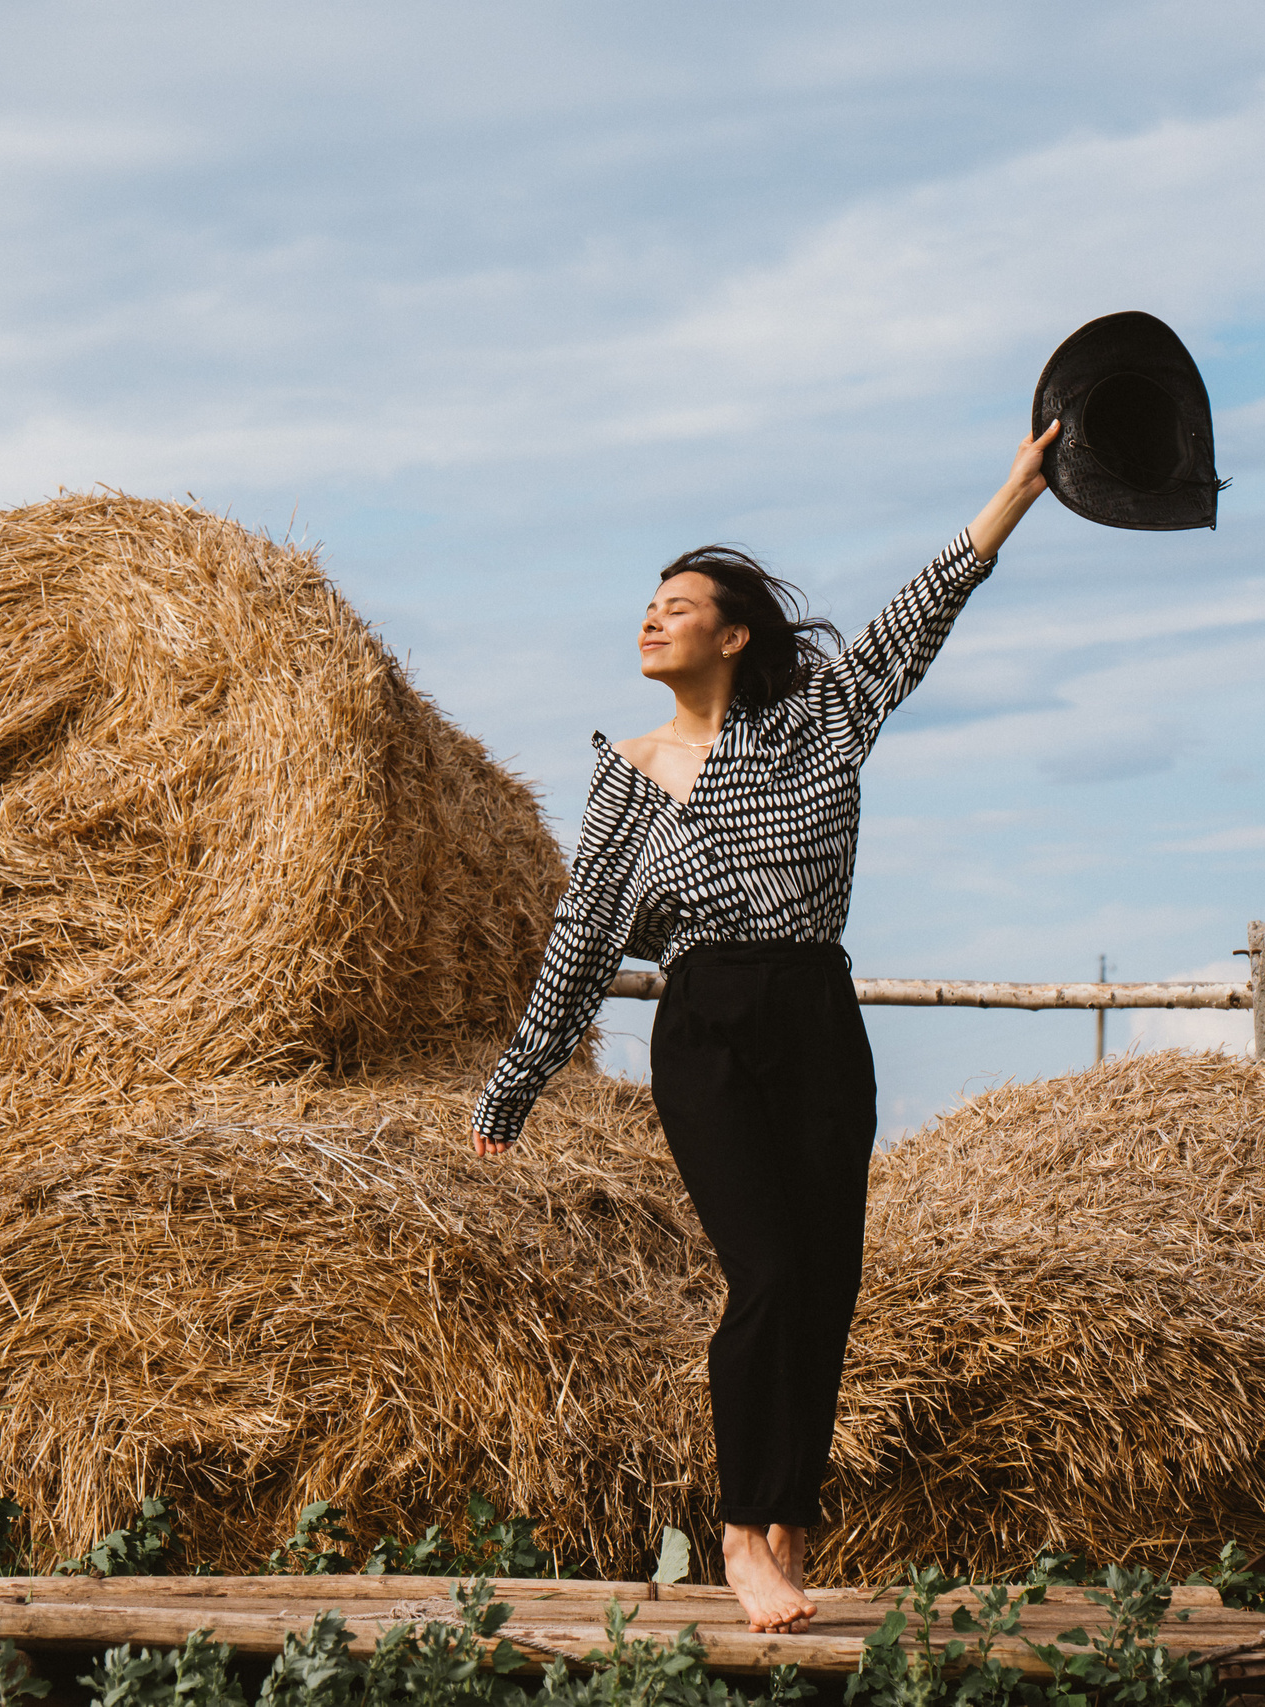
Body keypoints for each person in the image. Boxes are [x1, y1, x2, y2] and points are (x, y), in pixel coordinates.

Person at [468, 420, 1063, 1634]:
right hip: (707, 1026)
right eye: (647, 603)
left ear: (732, 635)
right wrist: (514, 1087)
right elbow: (584, 934)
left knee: (827, 1284)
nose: (650, 618)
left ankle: (790, 1520)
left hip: (814, 1013)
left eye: (675, 606)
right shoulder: (626, 772)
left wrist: (1015, 492)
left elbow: (923, 607)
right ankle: (743, 1535)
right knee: (769, 1272)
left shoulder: (818, 723)